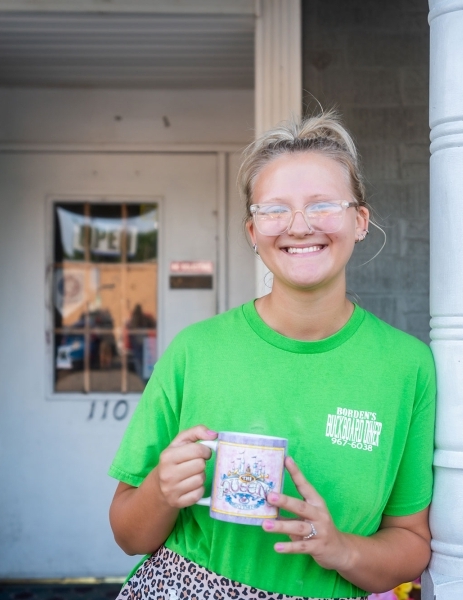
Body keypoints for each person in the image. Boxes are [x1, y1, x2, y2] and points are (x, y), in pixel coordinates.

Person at [108, 111, 436, 600]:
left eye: (323, 204)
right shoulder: (195, 351)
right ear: (252, 231)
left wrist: (340, 548)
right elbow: (128, 535)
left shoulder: (407, 367)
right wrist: (160, 490)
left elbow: (411, 541)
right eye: (275, 209)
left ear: (360, 221)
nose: (299, 226)